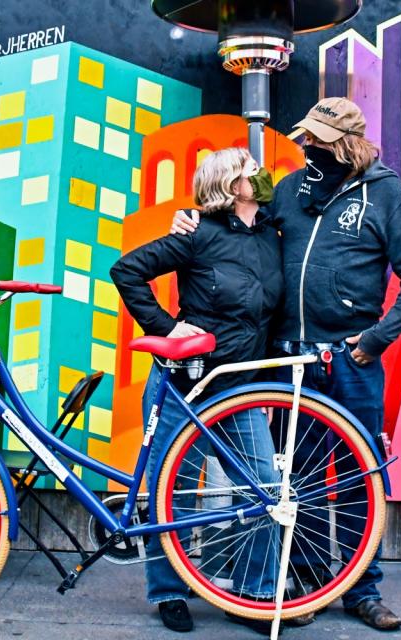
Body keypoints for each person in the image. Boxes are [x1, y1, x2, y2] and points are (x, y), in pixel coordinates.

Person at [171, 97, 401, 631]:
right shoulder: (289, 188)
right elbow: (237, 213)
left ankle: (364, 591)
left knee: (363, 476)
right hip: (287, 359)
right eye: (305, 139)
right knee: (295, 478)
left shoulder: (386, 194)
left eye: (316, 139)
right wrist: (193, 218)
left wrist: (377, 339)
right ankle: (312, 580)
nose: (305, 146)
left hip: (350, 360)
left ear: (346, 143)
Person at [110, 147, 286, 635]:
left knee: (265, 490)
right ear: (232, 186)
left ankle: (252, 593)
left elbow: (269, 318)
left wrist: (266, 388)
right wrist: (168, 328)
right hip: (184, 383)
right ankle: (170, 592)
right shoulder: (197, 233)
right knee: (174, 492)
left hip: (244, 389)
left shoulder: (273, 236)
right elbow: (127, 271)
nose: (261, 174)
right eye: (252, 170)